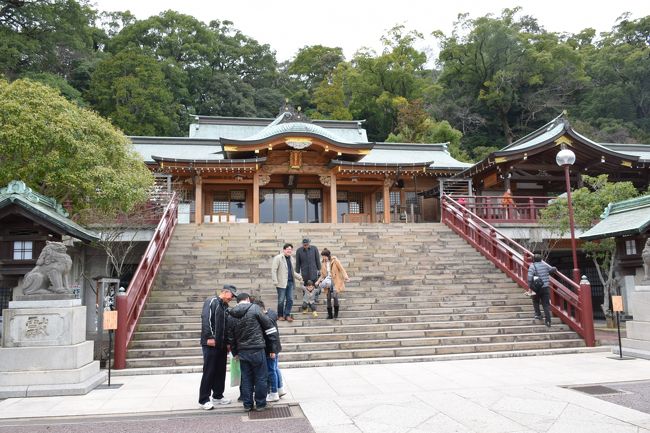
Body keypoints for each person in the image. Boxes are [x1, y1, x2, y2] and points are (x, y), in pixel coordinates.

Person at [227, 293, 279, 412]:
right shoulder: (255, 308)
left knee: (246, 378)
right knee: (261, 377)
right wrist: (272, 348)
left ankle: (247, 404)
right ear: (248, 299)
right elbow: (269, 328)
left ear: (238, 301)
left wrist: (235, 353)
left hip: (242, 351)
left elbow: (230, 337)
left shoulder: (231, 314)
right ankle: (261, 404)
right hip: (257, 349)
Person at [198, 284, 237, 410]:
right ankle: (204, 399)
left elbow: (226, 326)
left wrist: (228, 343)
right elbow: (206, 319)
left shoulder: (225, 306)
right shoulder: (212, 301)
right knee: (209, 371)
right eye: (232, 295)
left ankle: (218, 396)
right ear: (225, 292)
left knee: (220, 371)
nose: (232, 298)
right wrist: (210, 337)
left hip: (221, 344)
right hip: (211, 343)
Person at [252, 299, 285, 402]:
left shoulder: (266, 319)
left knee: (271, 370)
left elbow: (271, 336)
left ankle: (273, 393)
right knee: (275, 368)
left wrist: (271, 351)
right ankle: (280, 389)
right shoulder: (270, 315)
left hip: (270, 348)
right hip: (274, 347)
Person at [271, 243, 303, 322]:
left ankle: (287, 315)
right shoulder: (278, 258)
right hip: (281, 282)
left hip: (290, 282)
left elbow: (292, 271)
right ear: (284, 250)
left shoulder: (292, 259)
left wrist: (299, 277)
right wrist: (275, 281)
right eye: (288, 249)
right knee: (281, 300)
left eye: (290, 249)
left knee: (290, 299)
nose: (289, 251)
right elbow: (274, 270)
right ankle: (280, 315)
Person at [316, 248, 350, 319]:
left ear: (328, 255)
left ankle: (336, 314)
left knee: (335, 296)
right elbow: (322, 274)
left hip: (335, 281)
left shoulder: (335, 261)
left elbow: (342, 269)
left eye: (324, 256)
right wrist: (318, 281)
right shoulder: (323, 263)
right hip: (327, 281)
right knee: (328, 297)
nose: (324, 258)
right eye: (323, 256)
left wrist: (346, 277)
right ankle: (330, 314)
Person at [527, 254, 557, 328]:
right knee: (546, 304)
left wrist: (530, 287)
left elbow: (529, 278)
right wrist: (555, 268)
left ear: (533, 259)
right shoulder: (545, 265)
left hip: (536, 288)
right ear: (541, 259)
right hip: (545, 287)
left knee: (535, 301)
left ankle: (538, 314)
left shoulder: (532, 266)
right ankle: (548, 320)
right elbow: (552, 269)